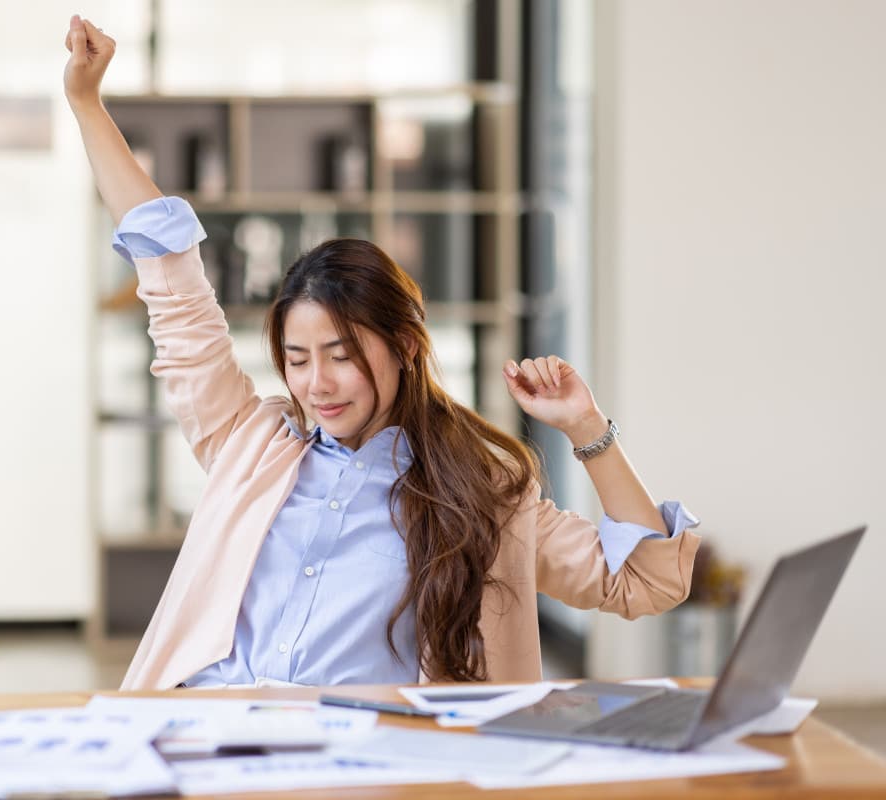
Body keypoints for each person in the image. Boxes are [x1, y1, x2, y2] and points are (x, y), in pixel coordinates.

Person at [62, 15, 701, 690]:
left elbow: (642, 581)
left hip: (357, 764)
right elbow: (171, 273)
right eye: (298, 358)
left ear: (402, 346)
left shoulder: (481, 494)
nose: (318, 383)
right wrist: (86, 103)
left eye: (341, 354)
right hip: (205, 738)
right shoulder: (248, 444)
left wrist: (586, 429)